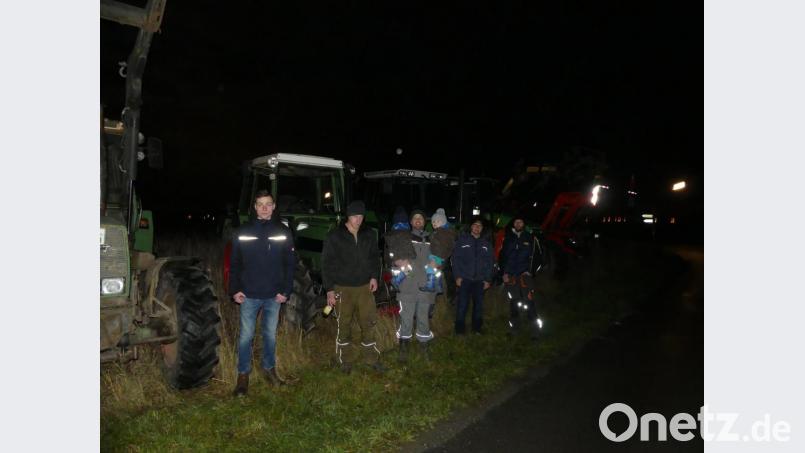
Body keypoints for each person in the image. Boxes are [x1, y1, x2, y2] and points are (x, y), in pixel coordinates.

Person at [229, 190, 296, 396]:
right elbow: (235, 263)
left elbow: (290, 264)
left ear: (274, 206)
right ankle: (243, 376)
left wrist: (286, 290)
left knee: (269, 335)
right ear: (255, 207)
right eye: (260, 204)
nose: (265, 208)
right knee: (246, 337)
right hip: (249, 294)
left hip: (274, 295)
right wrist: (235, 289)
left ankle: (269, 370)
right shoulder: (243, 231)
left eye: (268, 204)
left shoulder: (283, 231)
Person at [321, 200, 384, 374]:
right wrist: (329, 289)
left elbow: (374, 257)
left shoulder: (369, 234)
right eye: (355, 216)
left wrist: (374, 277)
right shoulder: (334, 235)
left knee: (368, 322)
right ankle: (345, 360)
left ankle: (371, 358)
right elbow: (326, 263)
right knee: (344, 324)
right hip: (342, 288)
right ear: (348, 216)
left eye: (361, 216)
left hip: (365, 287)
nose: (358, 220)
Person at [395, 209, 437, 361]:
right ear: (411, 222)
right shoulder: (403, 237)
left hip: (425, 287)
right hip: (407, 286)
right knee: (406, 319)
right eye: (415, 218)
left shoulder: (433, 239)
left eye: (421, 218)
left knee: (423, 319)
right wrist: (398, 266)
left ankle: (424, 348)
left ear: (424, 222)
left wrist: (437, 268)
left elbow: (440, 259)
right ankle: (403, 349)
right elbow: (393, 256)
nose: (418, 220)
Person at [451, 217, 494, 335]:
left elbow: (490, 263)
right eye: (475, 225)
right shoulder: (462, 241)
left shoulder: (486, 244)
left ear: (482, 229)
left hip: (480, 280)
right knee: (462, 305)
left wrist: (488, 279)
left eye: (479, 226)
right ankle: (459, 330)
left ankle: (477, 329)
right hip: (464, 279)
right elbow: (455, 260)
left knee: (478, 307)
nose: (477, 227)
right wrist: (457, 276)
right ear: (471, 227)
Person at [500, 216, 539, 339]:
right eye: (516, 222)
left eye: (520, 221)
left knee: (529, 303)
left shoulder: (531, 237)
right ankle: (514, 330)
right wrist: (504, 273)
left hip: (524, 276)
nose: (518, 224)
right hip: (511, 277)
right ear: (513, 223)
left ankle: (535, 331)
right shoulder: (507, 238)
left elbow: (538, 257)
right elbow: (502, 257)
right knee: (513, 304)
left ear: (524, 223)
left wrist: (530, 272)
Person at [420, 208, 457, 293]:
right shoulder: (442, 232)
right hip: (440, 255)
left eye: (437, 221)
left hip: (438, 254)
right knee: (436, 270)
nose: (434, 224)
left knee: (430, 268)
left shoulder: (443, 232)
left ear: (443, 222)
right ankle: (439, 286)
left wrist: (431, 237)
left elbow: (443, 244)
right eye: (433, 222)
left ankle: (430, 285)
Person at [384, 206, 416, 289]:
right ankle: (397, 280)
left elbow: (386, 258)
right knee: (409, 268)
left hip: (398, 269)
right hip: (405, 266)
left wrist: (393, 260)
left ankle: (397, 280)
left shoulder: (390, 235)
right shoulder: (409, 235)